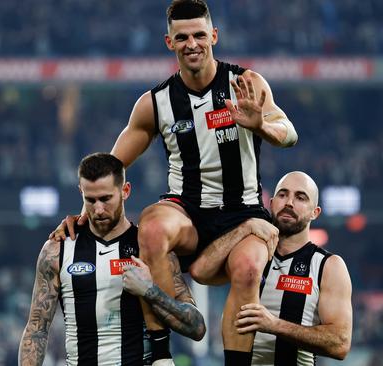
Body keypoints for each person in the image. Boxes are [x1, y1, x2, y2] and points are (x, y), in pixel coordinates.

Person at [55, 1, 297, 364]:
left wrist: (260, 124)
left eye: (200, 35)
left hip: (243, 210)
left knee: (248, 269)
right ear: (169, 42)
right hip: (187, 210)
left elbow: (289, 133)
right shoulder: (155, 103)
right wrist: (85, 211)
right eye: (181, 37)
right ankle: (161, 353)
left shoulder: (245, 84)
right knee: (150, 228)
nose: (192, 44)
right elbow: (112, 165)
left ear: (214, 36)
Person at [20, 153, 205, 366]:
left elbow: (197, 328)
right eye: (90, 200)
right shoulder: (58, 250)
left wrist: (150, 292)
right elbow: (36, 329)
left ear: (125, 191)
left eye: (106, 199)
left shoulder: (150, 248)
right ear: (81, 192)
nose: (98, 209)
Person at [192, 171, 353, 365]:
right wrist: (244, 228)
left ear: (315, 212)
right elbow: (200, 271)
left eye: (300, 197)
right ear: (271, 203)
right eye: (283, 195)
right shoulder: (247, 254)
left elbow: (339, 344)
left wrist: (274, 325)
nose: (289, 202)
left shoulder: (328, 266)